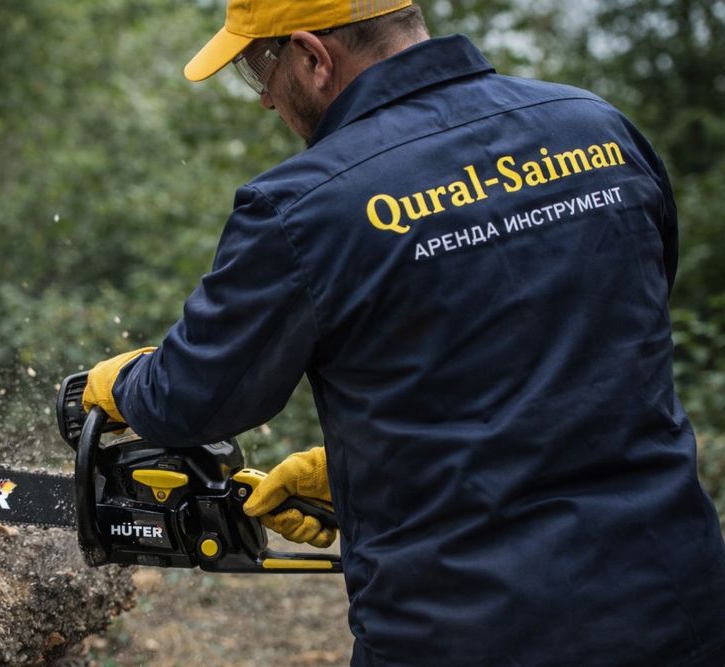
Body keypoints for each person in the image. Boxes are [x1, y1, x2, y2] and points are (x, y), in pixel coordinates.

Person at [82, 1, 725, 664]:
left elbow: (192, 398)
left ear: (312, 56)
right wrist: (374, 466)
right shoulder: (597, 128)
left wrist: (125, 384)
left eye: (258, 69)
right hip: (677, 605)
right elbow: (603, 340)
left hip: (467, 632)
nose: (266, 99)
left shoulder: (305, 206)